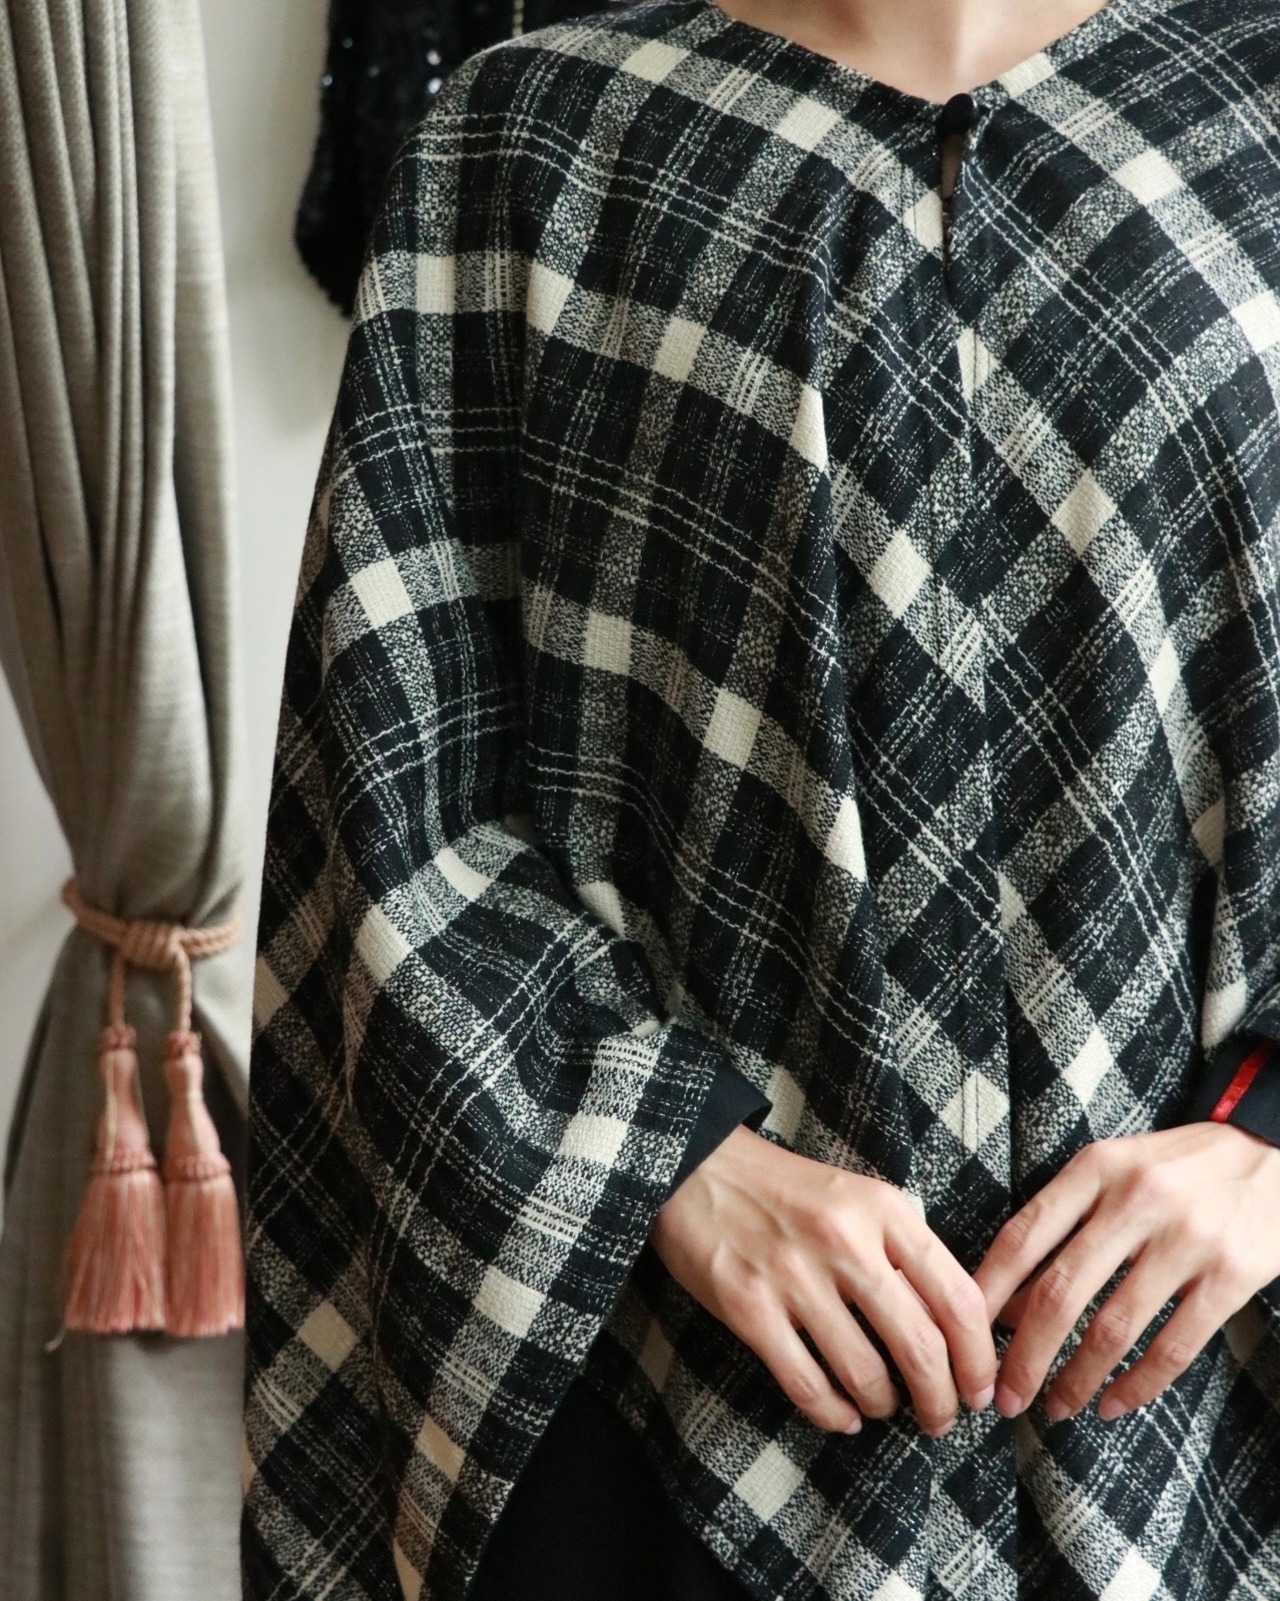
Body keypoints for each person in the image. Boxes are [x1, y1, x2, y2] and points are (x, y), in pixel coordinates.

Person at [241, 0, 1280, 1597]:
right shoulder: (532, 144)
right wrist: (669, 1161)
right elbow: (392, 798)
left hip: (1199, 1408)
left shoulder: (1253, 121)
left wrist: (1271, 1149)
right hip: (667, 1401)